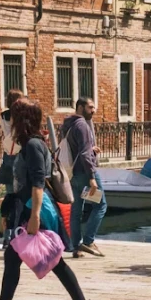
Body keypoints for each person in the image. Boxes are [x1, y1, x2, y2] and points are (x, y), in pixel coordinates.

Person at [0, 98, 94, 300]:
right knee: (21, 258)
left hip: (35, 208)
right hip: (30, 206)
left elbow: (39, 183)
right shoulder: (30, 143)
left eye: (15, 118)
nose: (11, 122)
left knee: (49, 259)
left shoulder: (33, 146)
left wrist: (35, 217)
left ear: (23, 121)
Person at [62, 98, 106, 258]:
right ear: (80, 107)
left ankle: (76, 247)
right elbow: (84, 154)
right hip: (85, 174)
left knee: (76, 210)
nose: (93, 110)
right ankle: (88, 241)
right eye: (90, 107)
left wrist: (91, 149)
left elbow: (78, 149)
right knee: (101, 205)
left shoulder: (69, 124)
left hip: (73, 174)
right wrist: (92, 177)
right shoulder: (82, 125)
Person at [0, 88, 23, 200]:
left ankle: (11, 209)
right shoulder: (19, 117)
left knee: (10, 185)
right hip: (18, 151)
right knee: (19, 184)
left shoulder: (3, 116)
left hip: (8, 151)